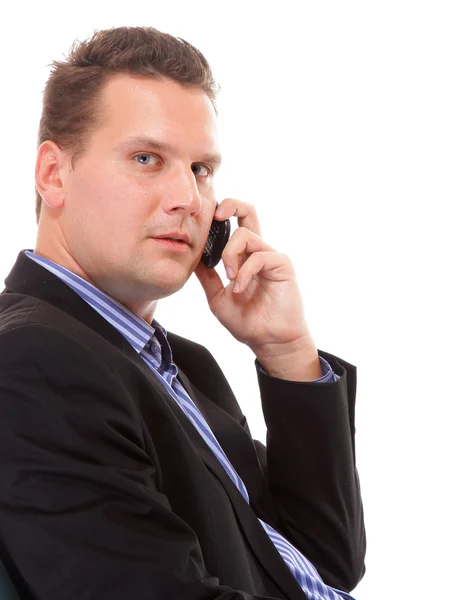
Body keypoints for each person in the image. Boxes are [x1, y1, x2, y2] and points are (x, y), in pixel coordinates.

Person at [0, 26, 365, 600]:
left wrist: (288, 354)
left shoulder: (183, 366)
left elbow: (322, 566)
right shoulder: (31, 359)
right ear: (53, 174)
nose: (189, 199)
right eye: (147, 158)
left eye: (200, 169)